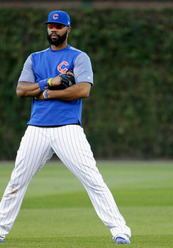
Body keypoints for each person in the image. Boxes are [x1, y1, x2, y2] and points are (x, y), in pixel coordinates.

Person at [0, 10, 131, 244]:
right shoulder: (35, 58)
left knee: (92, 179)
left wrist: (47, 93)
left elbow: (83, 90)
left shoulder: (79, 57)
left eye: (58, 26)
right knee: (16, 181)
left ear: (68, 29)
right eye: (50, 25)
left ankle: (120, 230)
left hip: (68, 128)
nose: (53, 29)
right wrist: (51, 81)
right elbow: (22, 90)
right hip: (36, 129)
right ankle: (0, 230)